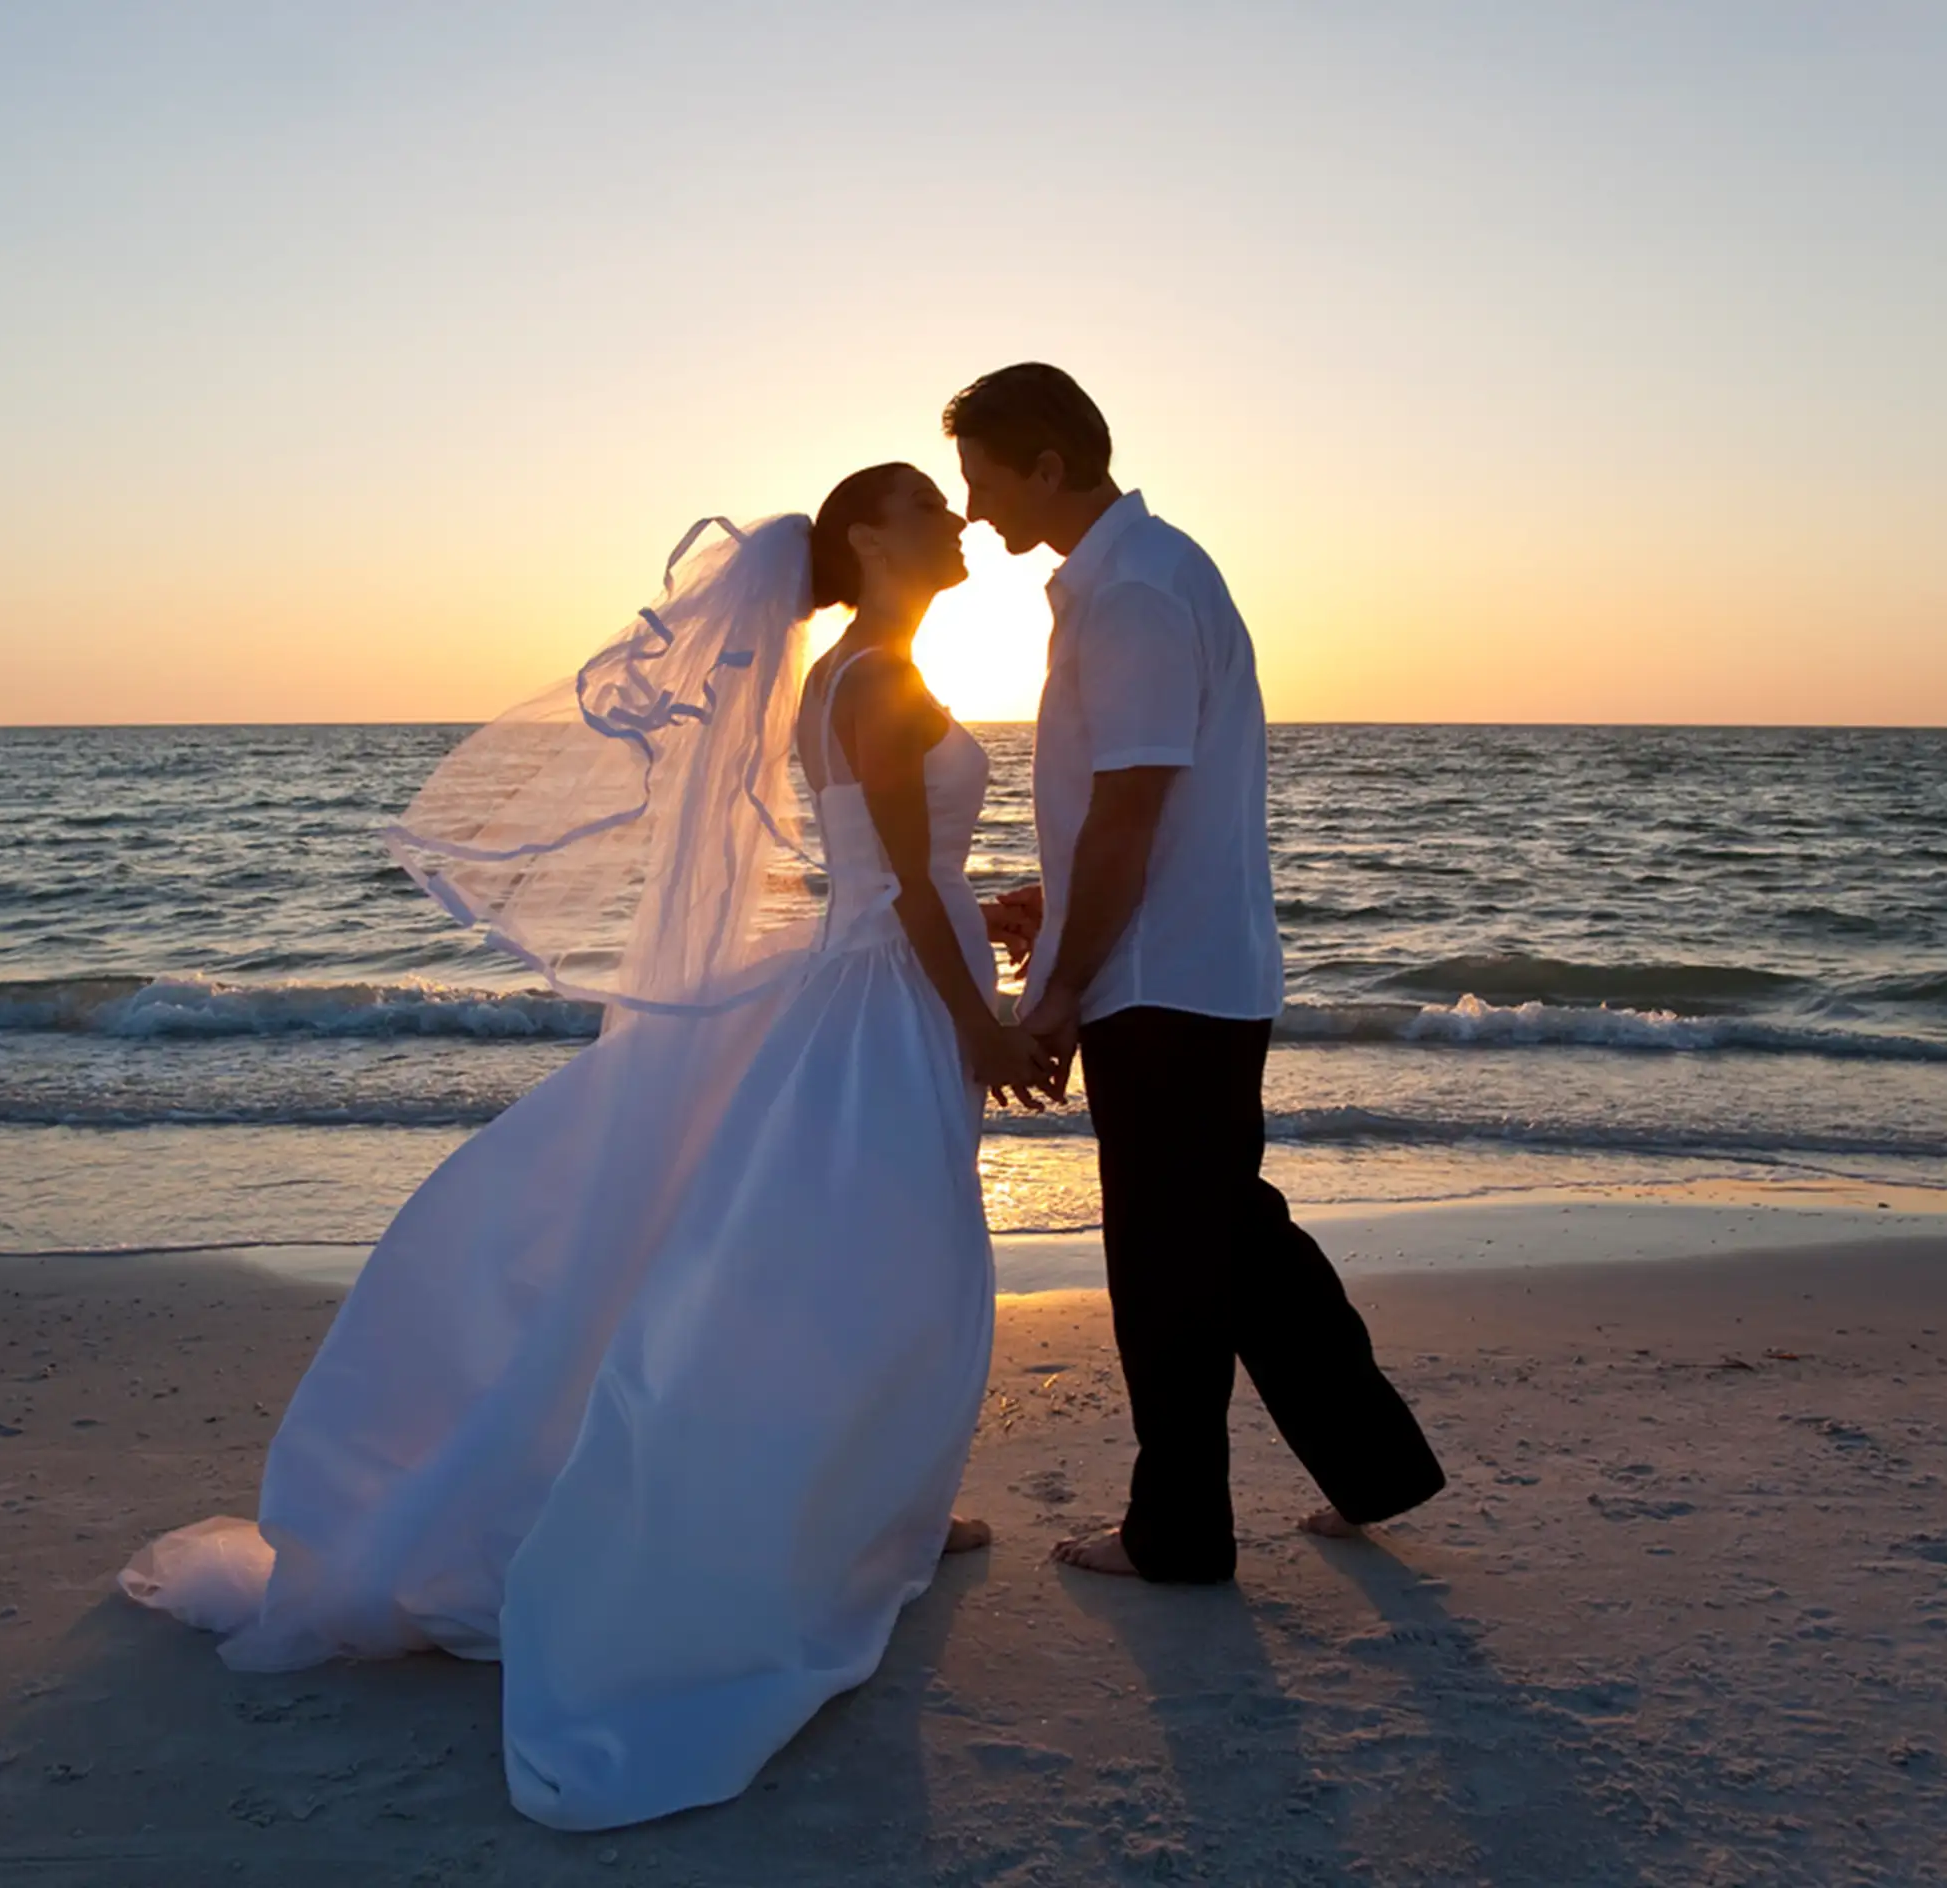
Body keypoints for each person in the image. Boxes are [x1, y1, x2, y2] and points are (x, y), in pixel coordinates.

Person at [119, 465, 1052, 1829]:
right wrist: (985, 1022)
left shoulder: (851, 671)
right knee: (885, 1269)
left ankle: (887, 1514)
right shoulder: (878, 678)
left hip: (875, 979)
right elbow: (905, 884)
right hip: (892, 1000)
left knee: (873, 1263)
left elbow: (898, 871)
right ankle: (850, 1522)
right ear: (866, 536)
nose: (954, 524)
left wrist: (986, 906)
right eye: (926, 508)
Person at [954, 363, 1447, 1583]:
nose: (972, 507)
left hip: (1161, 982)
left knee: (1167, 1264)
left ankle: (1177, 1532)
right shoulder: (1148, 571)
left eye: (983, 478)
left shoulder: (1131, 592)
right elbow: (1137, 816)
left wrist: (1058, 989)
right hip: (1190, 963)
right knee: (1233, 1238)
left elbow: (1130, 815)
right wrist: (1057, 905)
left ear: (1048, 465)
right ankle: (1375, 1466)